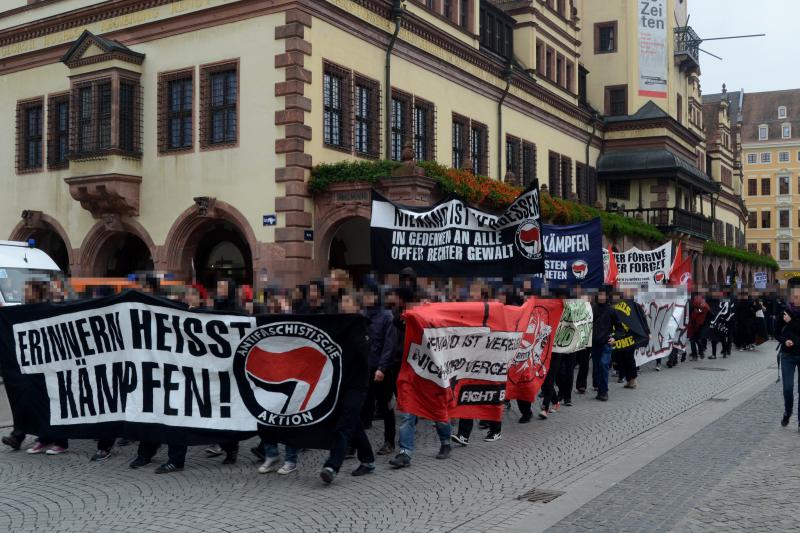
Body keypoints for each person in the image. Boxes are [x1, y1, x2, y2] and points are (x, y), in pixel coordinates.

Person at [319, 292, 375, 484]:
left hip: (357, 385)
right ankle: (368, 460)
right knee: (354, 423)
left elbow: (363, 352)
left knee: (344, 426)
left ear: (357, 307)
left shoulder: (363, 328)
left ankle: (332, 466)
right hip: (341, 383)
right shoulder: (340, 326)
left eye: (348, 301)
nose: (344, 305)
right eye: (343, 302)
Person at [359, 281, 398, 452]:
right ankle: (355, 445)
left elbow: (389, 346)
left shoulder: (387, 317)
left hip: (382, 370)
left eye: (368, 294)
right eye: (363, 294)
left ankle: (389, 441)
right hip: (364, 368)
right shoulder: (362, 316)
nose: (365, 298)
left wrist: (382, 368)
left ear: (376, 296)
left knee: (385, 407)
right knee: (360, 407)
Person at [776, 289, 800, 428]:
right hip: (787, 355)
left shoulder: (790, 318)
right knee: (788, 388)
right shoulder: (784, 312)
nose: (795, 299)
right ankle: (788, 411)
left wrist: (791, 322)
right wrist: (784, 341)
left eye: (798, 297)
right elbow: (776, 333)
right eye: (794, 297)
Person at [591, 286, 618, 402]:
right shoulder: (592, 309)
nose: (601, 297)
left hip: (606, 343)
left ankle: (604, 391)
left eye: (603, 295)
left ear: (607, 296)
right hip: (594, 343)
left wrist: (614, 337)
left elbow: (619, 327)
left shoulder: (611, 310)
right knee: (597, 367)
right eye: (599, 295)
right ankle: (600, 390)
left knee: (603, 364)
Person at [688, 293, 710, 361]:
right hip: (698, 325)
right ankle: (700, 352)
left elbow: (694, 314)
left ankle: (696, 355)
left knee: (693, 340)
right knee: (697, 340)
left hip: (695, 325)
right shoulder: (704, 307)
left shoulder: (698, 307)